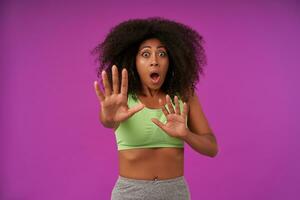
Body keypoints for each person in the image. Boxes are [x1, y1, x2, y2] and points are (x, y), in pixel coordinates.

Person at [92, 17, 218, 200]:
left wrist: (186, 134)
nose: (154, 61)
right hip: (129, 194)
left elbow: (212, 148)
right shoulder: (120, 99)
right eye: (145, 54)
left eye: (162, 54)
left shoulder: (184, 95)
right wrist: (109, 118)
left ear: (172, 59)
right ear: (133, 61)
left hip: (175, 193)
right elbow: (107, 120)